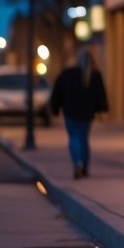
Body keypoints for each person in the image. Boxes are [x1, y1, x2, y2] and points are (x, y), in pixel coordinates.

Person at [49, 47, 110, 179]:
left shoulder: (67, 73)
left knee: (74, 137)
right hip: (86, 113)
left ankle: (77, 164)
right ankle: (84, 167)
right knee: (83, 139)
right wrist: (102, 111)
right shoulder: (94, 75)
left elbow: (56, 93)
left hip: (70, 112)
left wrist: (55, 109)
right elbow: (101, 94)